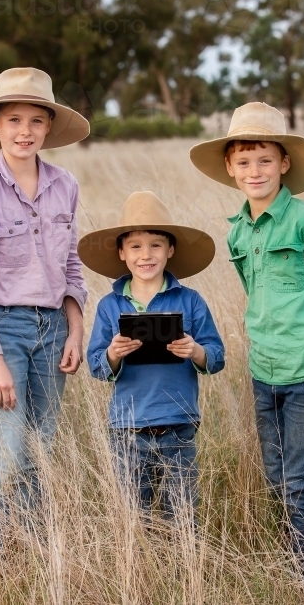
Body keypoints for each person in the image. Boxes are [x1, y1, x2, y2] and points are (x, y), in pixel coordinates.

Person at [188, 101, 304, 570]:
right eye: (244, 162)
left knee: (300, 481)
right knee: (276, 477)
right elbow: (257, 297)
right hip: (265, 369)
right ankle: (297, 560)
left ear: (284, 163)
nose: (255, 170)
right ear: (229, 168)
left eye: (265, 160)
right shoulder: (238, 233)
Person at [0, 67, 91, 549]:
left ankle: (27, 561)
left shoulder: (64, 184)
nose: (24, 131)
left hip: (53, 331)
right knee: (7, 459)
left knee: (38, 455)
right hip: (3, 331)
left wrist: (75, 331)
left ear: (49, 126)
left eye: (35, 120)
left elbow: (72, 265)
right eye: (13, 120)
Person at [80, 191, 225, 520]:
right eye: (135, 246)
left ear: (170, 250)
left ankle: (182, 570)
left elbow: (216, 356)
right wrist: (114, 354)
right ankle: (140, 571)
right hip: (127, 427)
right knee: (134, 515)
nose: (146, 255)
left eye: (156, 245)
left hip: (178, 423)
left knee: (183, 513)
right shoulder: (109, 305)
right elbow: (97, 366)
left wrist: (195, 350)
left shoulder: (190, 301)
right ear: (121, 253)